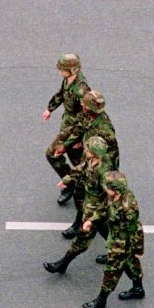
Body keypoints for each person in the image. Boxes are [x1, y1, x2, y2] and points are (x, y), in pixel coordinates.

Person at [44, 135, 115, 272]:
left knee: (81, 241)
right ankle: (118, 251)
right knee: (106, 231)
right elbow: (82, 168)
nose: (85, 149)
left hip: (96, 211)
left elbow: (109, 198)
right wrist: (68, 178)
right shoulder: (93, 160)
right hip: (91, 205)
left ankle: (62, 264)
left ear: (94, 153)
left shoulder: (104, 172)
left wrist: (93, 218)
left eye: (87, 148)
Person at [83, 170, 145, 308]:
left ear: (115, 190)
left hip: (122, 243)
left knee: (112, 270)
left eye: (108, 187)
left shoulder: (128, 207)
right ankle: (138, 288)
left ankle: (101, 300)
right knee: (131, 264)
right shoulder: (113, 197)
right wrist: (91, 220)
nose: (105, 188)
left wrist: (138, 249)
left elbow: (136, 229)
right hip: (116, 237)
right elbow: (104, 208)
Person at [43, 53, 89, 205]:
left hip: (75, 129)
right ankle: (73, 182)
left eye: (63, 69)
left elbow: (85, 117)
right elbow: (61, 94)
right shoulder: (68, 79)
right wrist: (50, 109)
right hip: (68, 125)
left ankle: (77, 186)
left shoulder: (82, 90)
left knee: (58, 155)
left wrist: (78, 139)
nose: (60, 71)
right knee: (74, 160)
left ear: (73, 70)